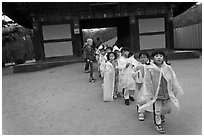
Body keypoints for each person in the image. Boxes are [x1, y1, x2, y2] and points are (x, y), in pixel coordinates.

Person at [138, 50, 184, 134]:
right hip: (156, 93)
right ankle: (158, 124)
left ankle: (162, 114)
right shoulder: (150, 69)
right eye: (156, 56)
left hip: (166, 92)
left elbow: (173, 79)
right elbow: (147, 82)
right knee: (157, 110)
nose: (159, 57)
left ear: (164, 58)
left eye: (160, 56)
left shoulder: (168, 68)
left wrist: (175, 89)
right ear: (152, 58)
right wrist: (149, 93)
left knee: (167, 109)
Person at [133, 52, 152, 121]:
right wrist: (137, 74)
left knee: (148, 97)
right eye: (141, 57)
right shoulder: (137, 66)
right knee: (141, 98)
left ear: (147, 58)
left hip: (148, 85)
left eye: (145, 57)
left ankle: (146, 108)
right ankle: (141, 112)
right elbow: (133, 74)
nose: (143, 59)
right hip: (140, 84)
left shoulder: (150, 65)